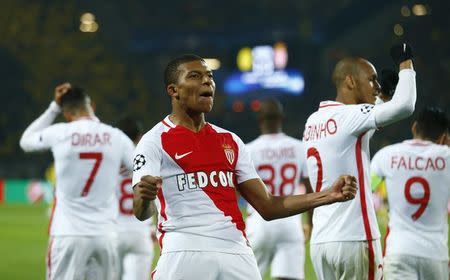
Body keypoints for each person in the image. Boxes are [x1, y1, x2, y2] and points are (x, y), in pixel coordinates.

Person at [132, 54, 358, 280]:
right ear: (174, 90)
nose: (207, 81)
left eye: (210, 76)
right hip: (184, 251)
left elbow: (268, 206)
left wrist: (329, 195)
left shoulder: (230, 141)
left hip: (236, 251)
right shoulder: (154, 141)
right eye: (195, 76)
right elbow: (142, 212)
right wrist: (145, 198)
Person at [302, 43, 416, 280]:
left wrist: (384, 98)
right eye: (372, 80)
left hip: (322, 241)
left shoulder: (314, 120)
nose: (376, 87)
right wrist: (405, 63)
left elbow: (357, 129)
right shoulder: (350, 117)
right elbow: (405, 106)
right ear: (351, 81)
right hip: (354, 238)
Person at [20, 84, 135, 280]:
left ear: (66, 114)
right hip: (105, 236)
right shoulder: (117, 137)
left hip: (68, 234)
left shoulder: (60, 133)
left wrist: (53, 107)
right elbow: (140, 169)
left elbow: (26, 141)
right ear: (93, 106)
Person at [371, 107, 450, 280]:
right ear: (444, 137)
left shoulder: (386, 156)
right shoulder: (447, 157)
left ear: (414, 127)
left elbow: (367, 189)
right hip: (435, 255)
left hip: (399, 250)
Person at [246, 98, 313, 280]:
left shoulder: (248, 150)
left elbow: (236, 191)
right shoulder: (299, 148)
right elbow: (309, 189)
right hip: (290, 221)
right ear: (282, 118)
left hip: (259, 222)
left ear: (260, 120)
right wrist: (310, 223)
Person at [115, 116, 155, 280]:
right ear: (140, 136)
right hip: (141, 231)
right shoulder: (148, 159)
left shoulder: (109, 159)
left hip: (113, 231)